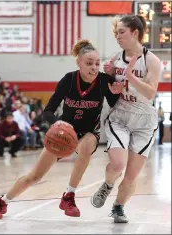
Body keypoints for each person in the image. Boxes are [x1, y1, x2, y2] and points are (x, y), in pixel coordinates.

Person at [0, 39, 124, 220]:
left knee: (85, 147)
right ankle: (2, 202)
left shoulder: (102, 81)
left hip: (89, 132)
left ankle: (69, 196)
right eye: (89, 63)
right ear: (79, 63)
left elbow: (115, 104)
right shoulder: (69, 79)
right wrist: (57, 124)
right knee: (33, 176)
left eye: (97, 63)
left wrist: (117, 85)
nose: (94, 67)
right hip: (63, 133)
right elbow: (48, 110)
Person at [91, 15, 161, 223]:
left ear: (135, 33)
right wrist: (111, 80)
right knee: (118, 163)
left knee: (131, 175)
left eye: (121, 32)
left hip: (144, 120)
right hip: (120, 115)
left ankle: (118, 207)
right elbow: (111, 90)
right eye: (116, 33)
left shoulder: (152, 60)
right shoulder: (115, 58)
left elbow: (150, 93)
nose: (117, 36)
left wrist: (130, 77)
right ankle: (108, 184)